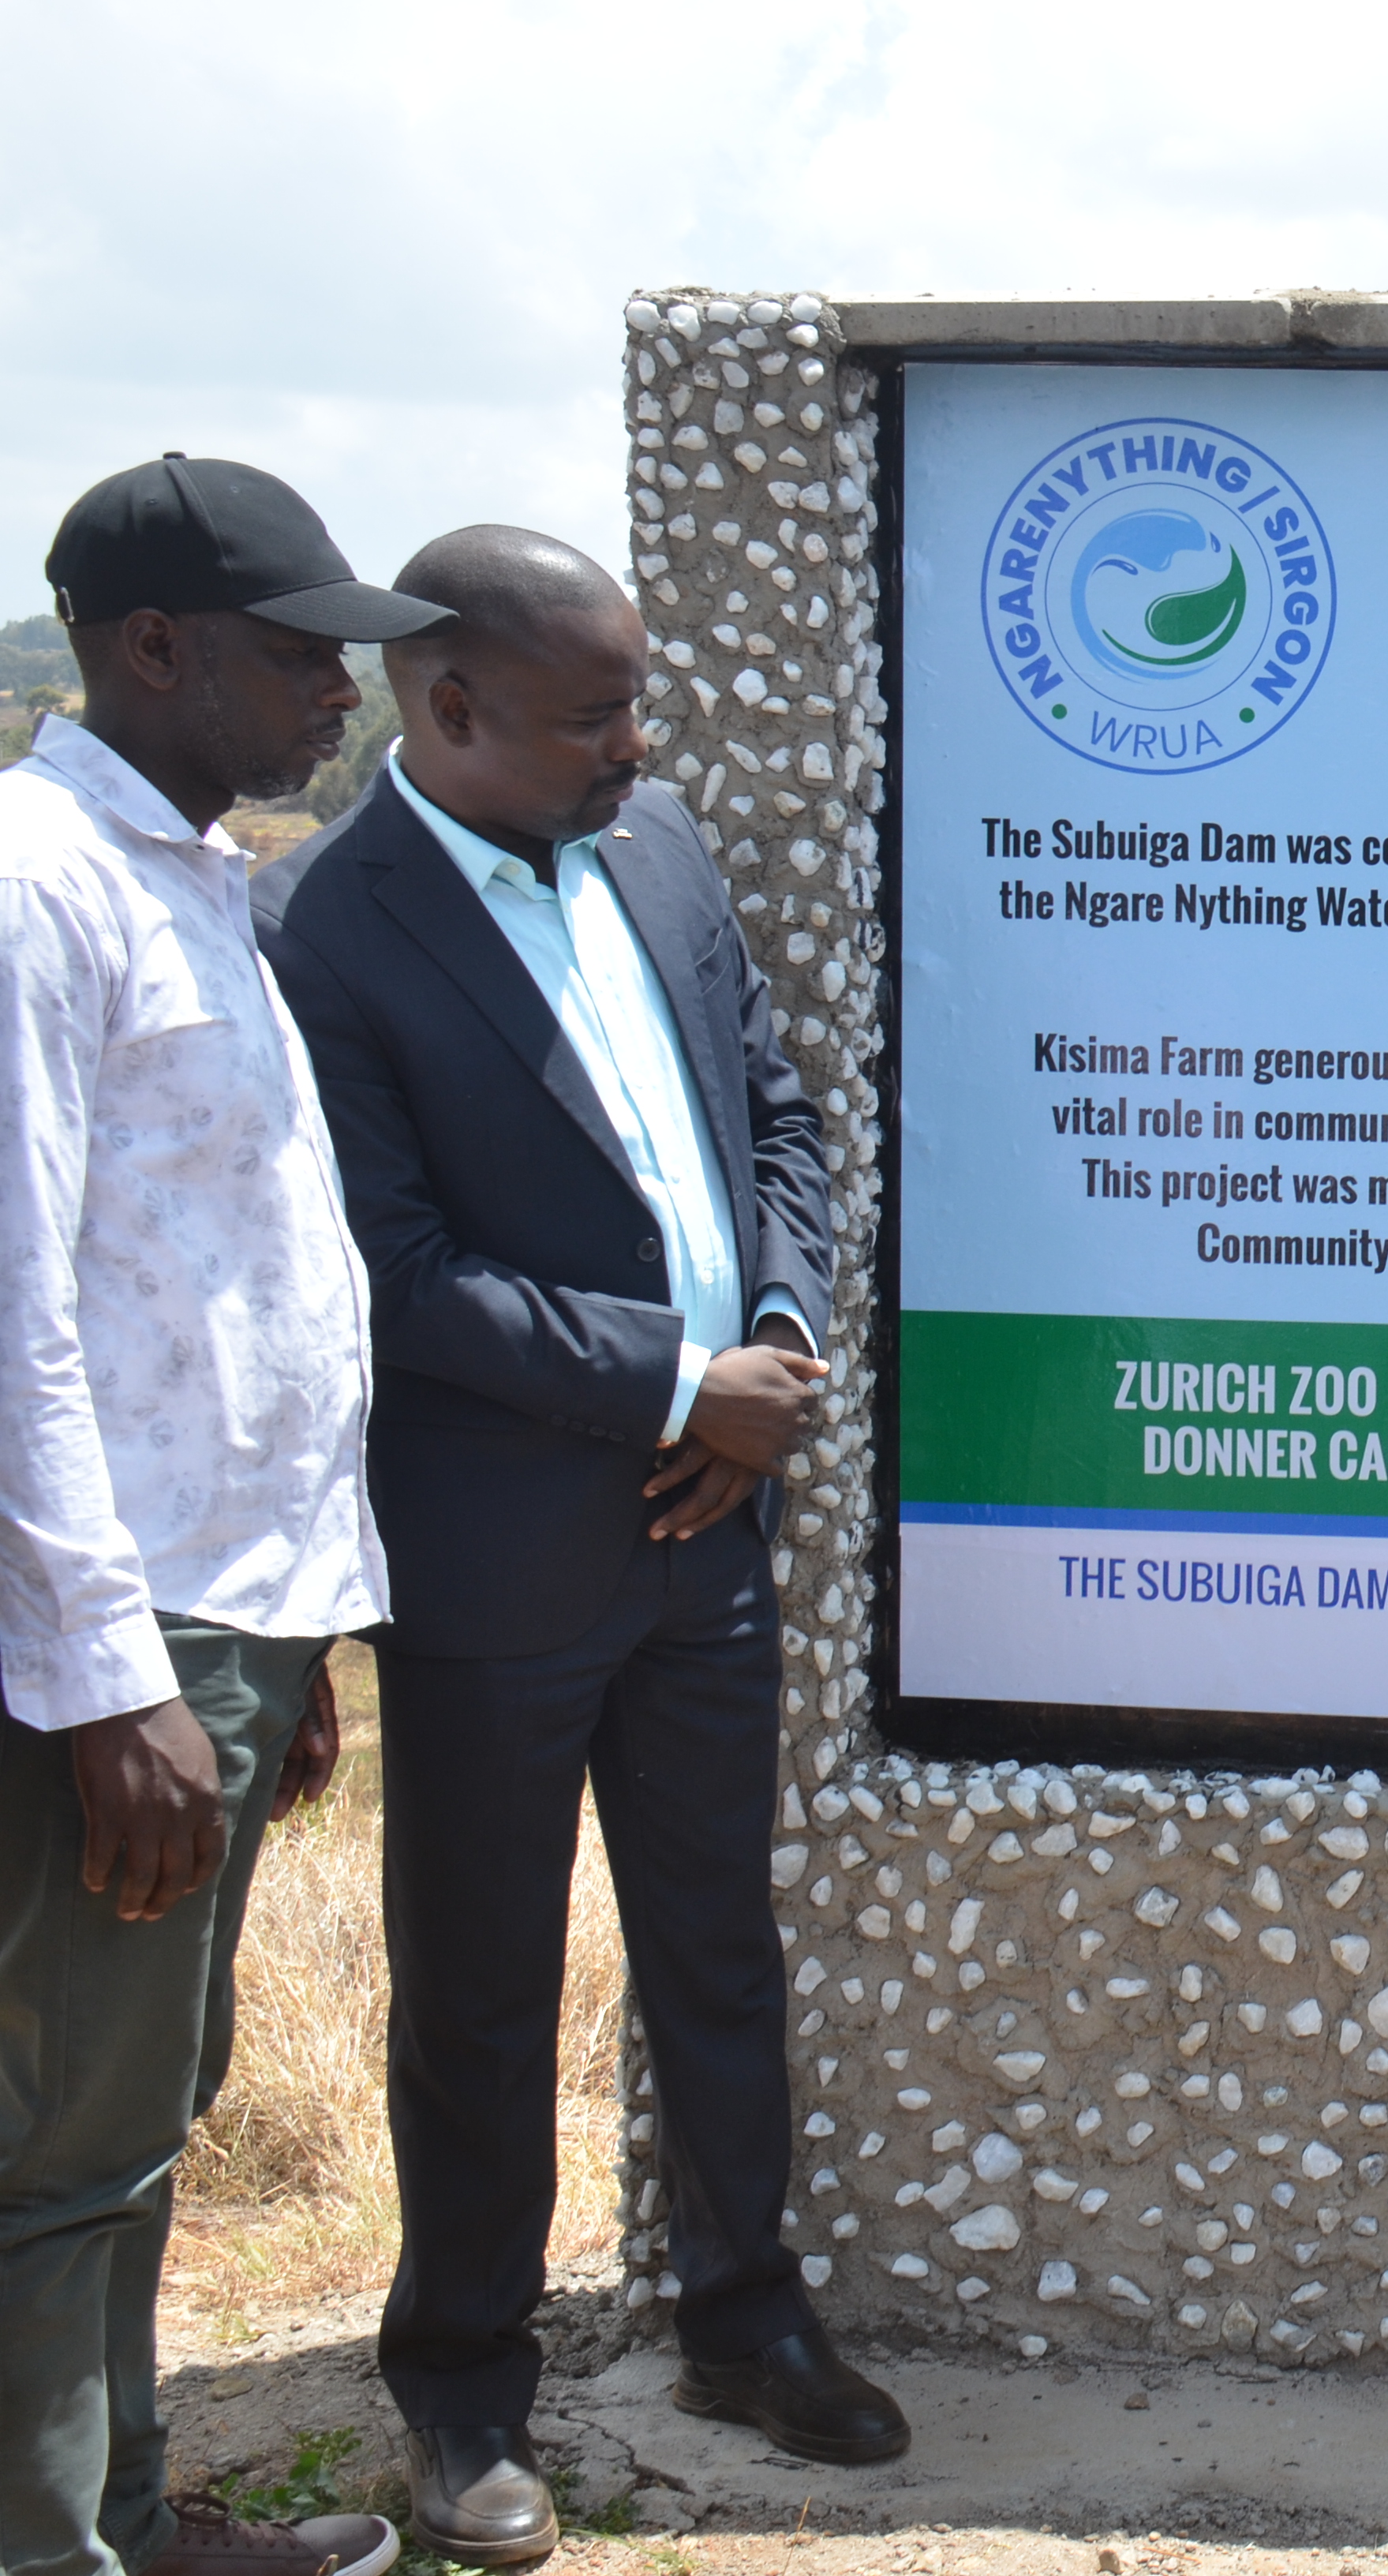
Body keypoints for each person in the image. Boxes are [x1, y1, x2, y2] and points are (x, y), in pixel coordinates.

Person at [253, 526, 901, 2559]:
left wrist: (775, 1346)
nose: (640, 741)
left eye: (640, 700)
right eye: (595, 711)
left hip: (711, 1529)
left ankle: (740, 2317)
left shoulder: (667, 846)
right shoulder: (329, 931)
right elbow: (393, 1272)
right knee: (479, 1991)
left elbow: (776, 1116)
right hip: (499, 1559)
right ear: (445, 710)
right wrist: (662, 1382)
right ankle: (462, 2392)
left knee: (715, 1946)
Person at [2, 457, 439, 2576]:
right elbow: (18, 1324)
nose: (342, 698)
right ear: (148, 645)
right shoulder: (34, 886)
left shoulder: (195, 875)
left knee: (141, 2113)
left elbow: (242, 1289)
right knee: (56, 2138)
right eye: (298, 656)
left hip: (226, 1618)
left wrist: (310, 1636)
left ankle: (136, 2514)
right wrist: (111, 1687)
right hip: (117, 1641)